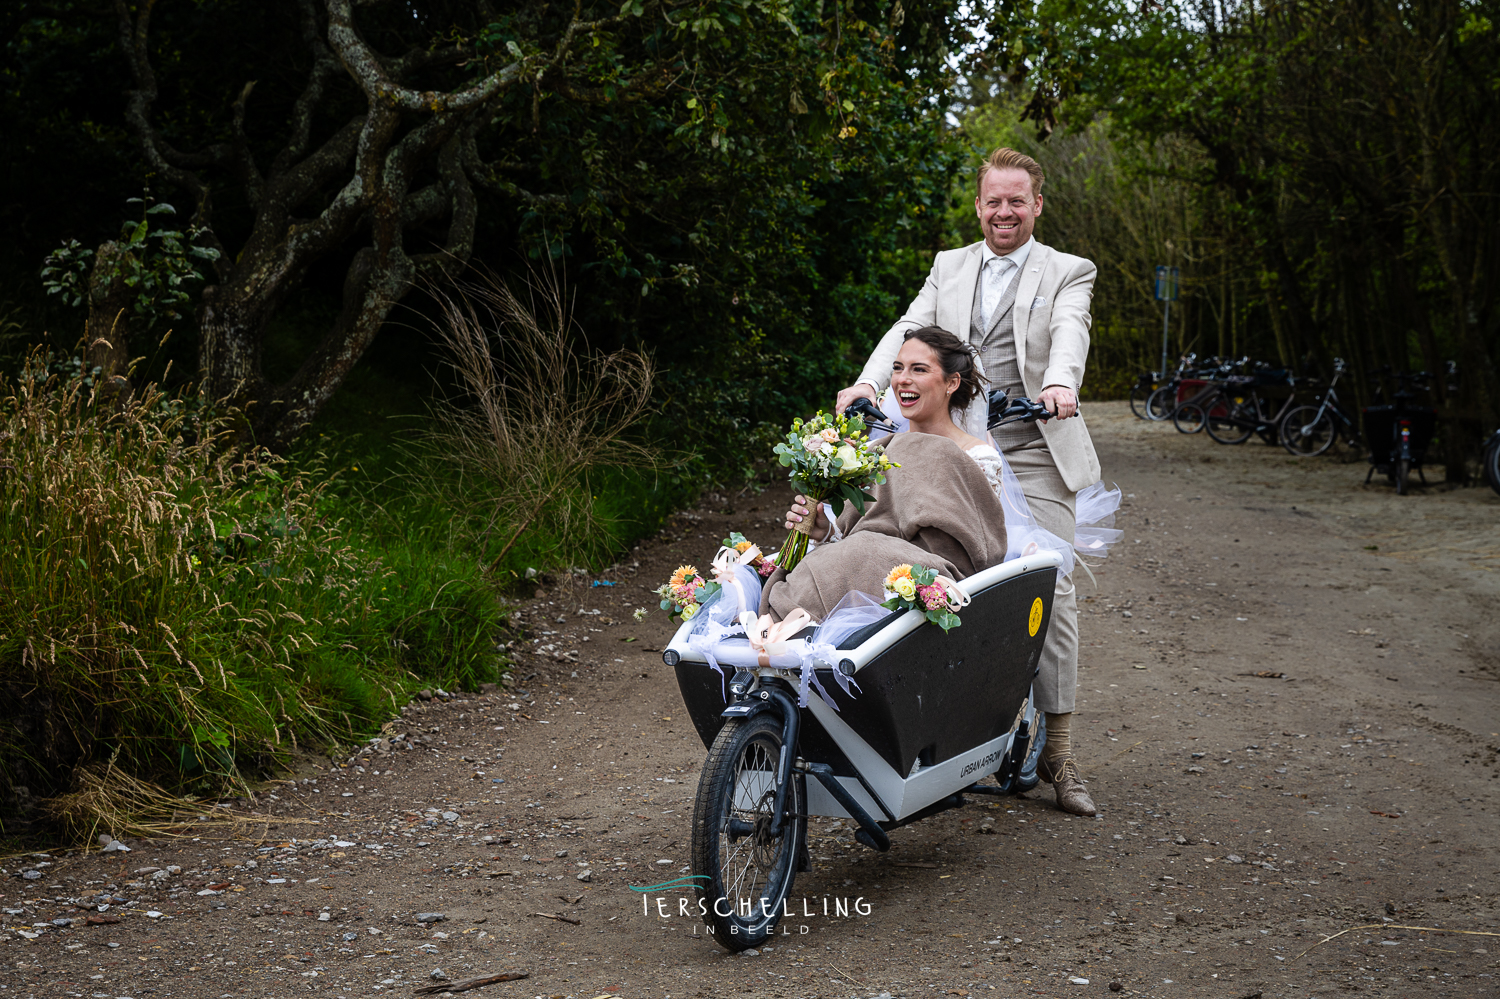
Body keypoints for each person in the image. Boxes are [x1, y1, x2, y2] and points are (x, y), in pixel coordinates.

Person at [827, 146, 1101, 818]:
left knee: (1048, 579)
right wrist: (867, 381)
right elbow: (907, 329)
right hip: (948, 436)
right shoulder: (950, 265)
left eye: (1017, 200)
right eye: (993, 200)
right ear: (978, 206)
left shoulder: (1069, 270)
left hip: (1032, 445)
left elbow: (1071, 330)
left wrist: (1061, 383)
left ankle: (1060, 749)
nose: (1004, 211)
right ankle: (945, 731)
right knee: (922, 560)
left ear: (1037, 204)